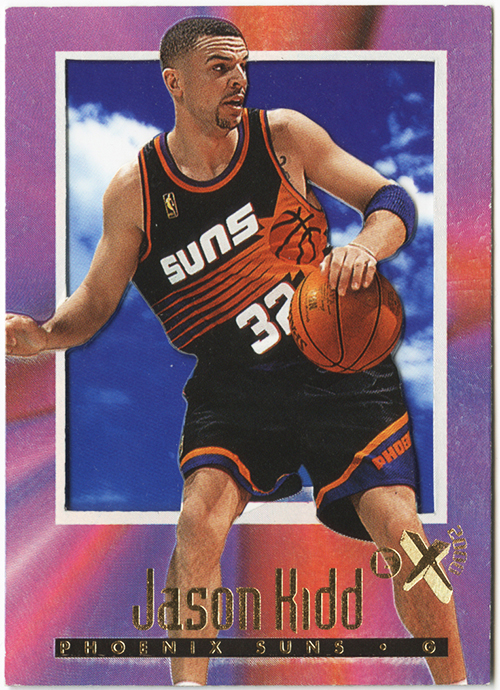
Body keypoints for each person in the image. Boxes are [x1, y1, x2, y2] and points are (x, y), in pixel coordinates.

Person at [6, 17, 466, 686]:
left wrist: (367, 246)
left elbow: (390, 199)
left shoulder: (283, 137)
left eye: (242, 65)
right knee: (198, 519)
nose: (239, 79)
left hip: (339, 372)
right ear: (175, 83)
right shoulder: (137, 191)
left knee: (405, 536)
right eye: (220, 68)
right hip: (235, 387)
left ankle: (459, 685)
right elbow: (95, 304)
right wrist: (45, 335)